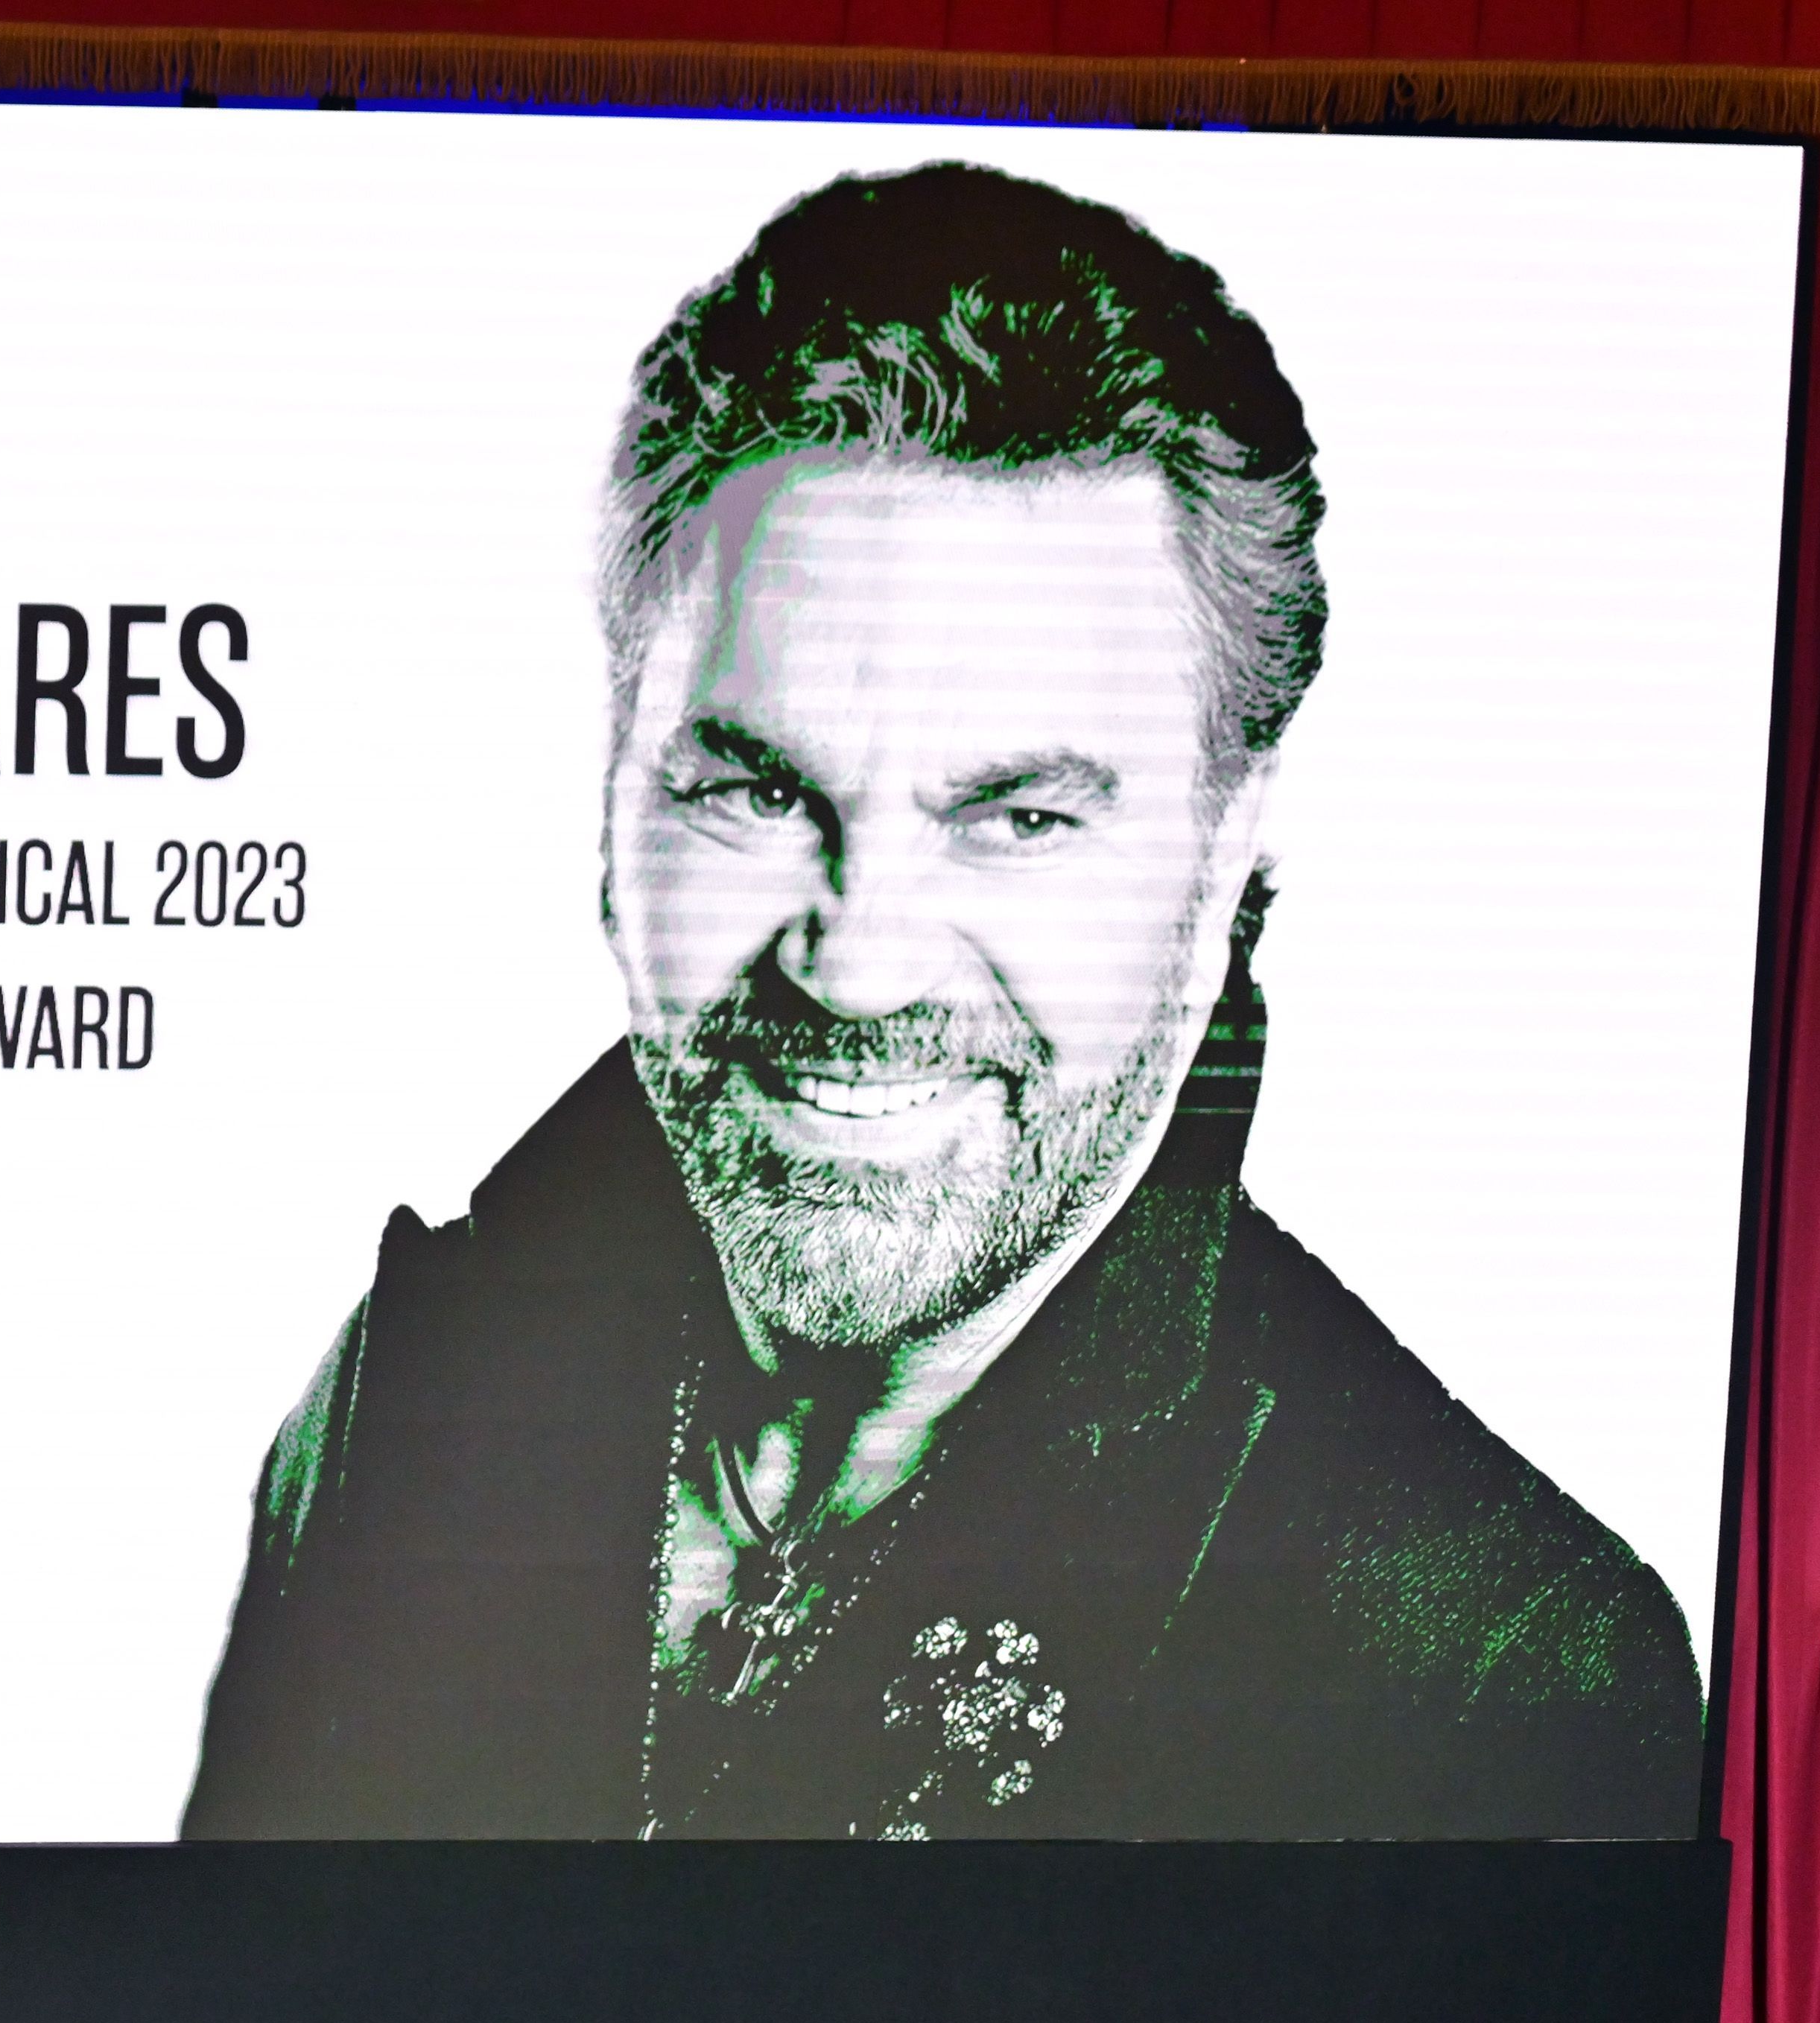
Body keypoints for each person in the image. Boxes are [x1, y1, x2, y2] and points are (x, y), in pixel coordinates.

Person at [186, 161, 1704, 1845]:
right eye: (754, 793)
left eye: (1020, 819)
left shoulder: (1481, 1672)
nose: (857, 962)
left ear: (1234, 850)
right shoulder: (410, 1377)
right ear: (613, 779)